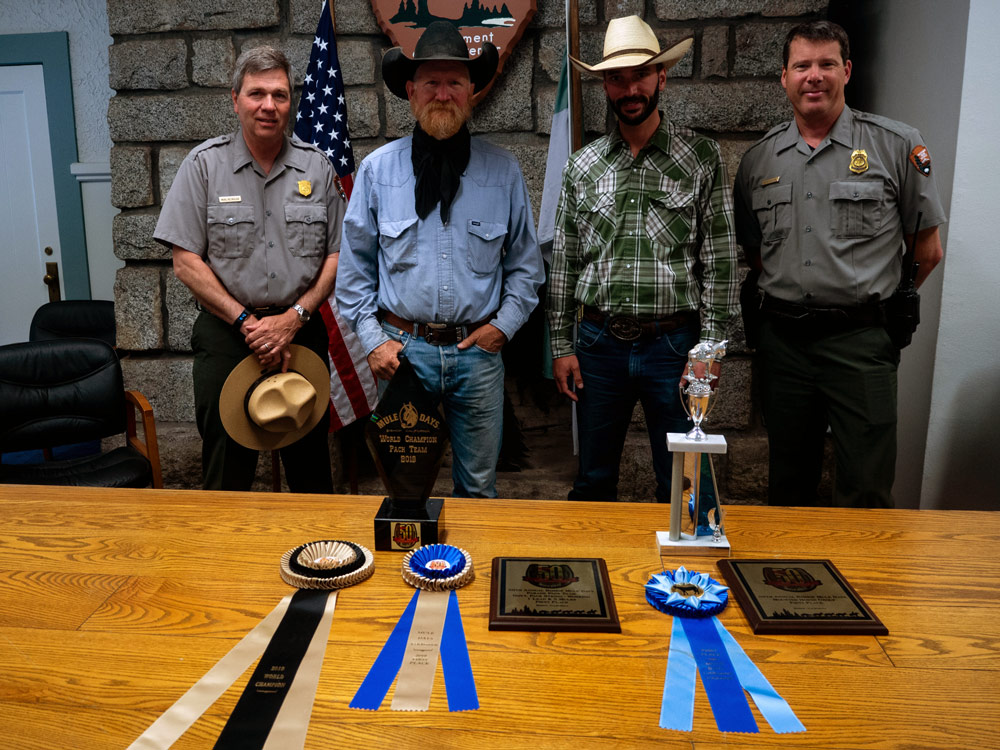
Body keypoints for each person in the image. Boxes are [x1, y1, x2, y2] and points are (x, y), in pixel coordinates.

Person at [733, 21, 945, 508]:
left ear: (846, 71)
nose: (814, 76)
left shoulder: (895, 145)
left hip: (861, 342)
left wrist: (880, 307)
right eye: (802, 65)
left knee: (866, 486)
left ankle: (866, 583)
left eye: (826, 64)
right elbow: (757, 255)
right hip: (784, 345)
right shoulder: (758, 160)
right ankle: (789, 581)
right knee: (788, 483)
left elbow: (927, 251)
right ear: (782, 78)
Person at [335, 22, 544, 499]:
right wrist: (373, 343)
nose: (443, 93)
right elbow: (353, 275)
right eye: (432, 82)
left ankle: (470, 570)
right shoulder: (378, 172)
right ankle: (413, 573)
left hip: (478, 357)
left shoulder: (503, 171)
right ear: (410, 91)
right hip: (402, 355)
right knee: (404, 491)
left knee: (479, 489)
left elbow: (526, 269)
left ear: (473, 90)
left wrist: (503, 328)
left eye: (455, 82)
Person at [547, 15, 739, 502]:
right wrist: (561, 346)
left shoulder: (700, 157)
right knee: (592, 479)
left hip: (674, 347)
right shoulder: (582, 165)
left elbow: (719, 259)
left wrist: (711, 349)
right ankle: (594, 572)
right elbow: (566, 263)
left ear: (662, 76)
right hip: (596, 344)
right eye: (616, 78)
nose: (630, 88)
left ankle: (684, 578)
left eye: (640, 75)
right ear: (604, 86)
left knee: (684, 483)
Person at [154, 46, 345, 492]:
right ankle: (222, 556)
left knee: (310, 464)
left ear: (290, 102)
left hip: (300, 330)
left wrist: (293, 317)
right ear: (235, 98)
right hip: (227, 335)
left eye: (279, 95)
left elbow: (338, 255)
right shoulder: (204, 166)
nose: (268, 106)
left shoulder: (317, 168)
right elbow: (185, 263)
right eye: (257, 93)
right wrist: (248, 323)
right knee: (227, 466)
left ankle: (314, 557)